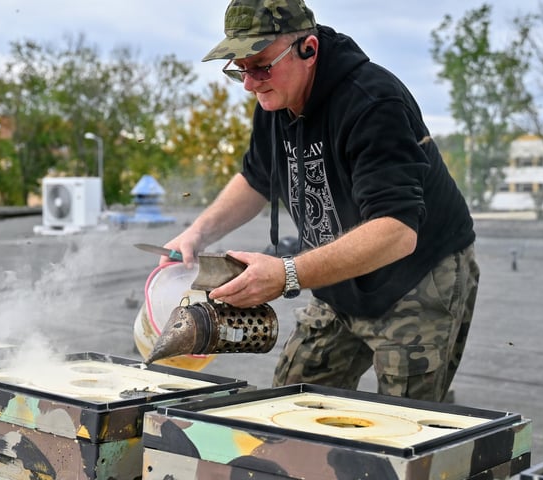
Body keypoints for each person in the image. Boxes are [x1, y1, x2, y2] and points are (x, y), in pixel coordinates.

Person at [160, 0, 479, 402]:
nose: (249, 83)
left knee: (405, 424)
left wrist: (287, 274)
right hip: (340, 277)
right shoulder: (274, 100)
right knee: (293, 402)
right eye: (240, 68)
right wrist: (196, 233)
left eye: (260, 66)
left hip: (418, 276)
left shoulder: (374, 103)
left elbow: (397, 232)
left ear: (308, 49)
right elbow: (258, 179)